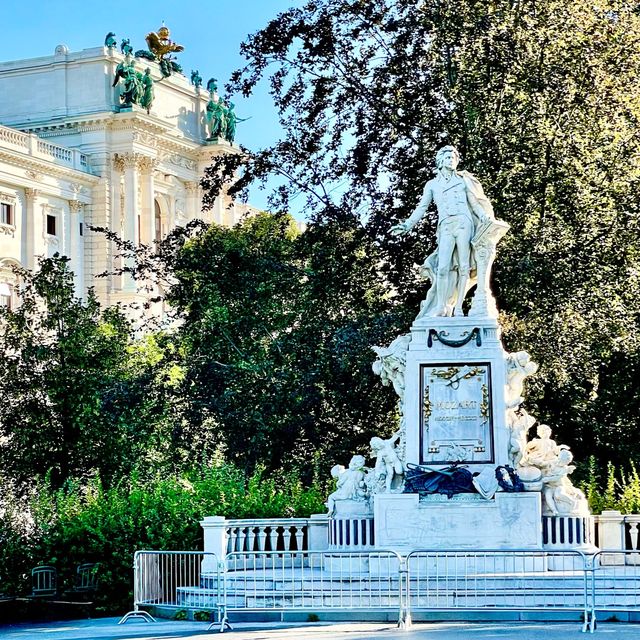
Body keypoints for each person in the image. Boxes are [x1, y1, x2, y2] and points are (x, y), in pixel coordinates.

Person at [391, 146, 494, 318]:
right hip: (446, 225)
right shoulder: (432, 185)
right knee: (442, 267)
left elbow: (474, 203)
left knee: (464, 266)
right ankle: (441, 306)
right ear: (440, 161)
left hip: (463, 223)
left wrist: (483, 216)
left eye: (453, 158)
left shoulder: (463, 181)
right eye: (447, 158)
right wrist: (407, 225)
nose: (451, 160)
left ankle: (459, 307)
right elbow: (422, 207)